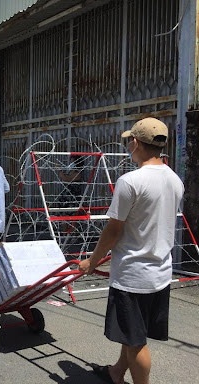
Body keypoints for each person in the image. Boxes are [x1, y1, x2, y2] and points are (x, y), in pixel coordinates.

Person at [78, 117, 184, 384]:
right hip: (160, 273)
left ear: (135, 143)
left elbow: (113, 231)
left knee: (135, 342)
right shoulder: (175, 180)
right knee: (134, 333)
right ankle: (116, 372)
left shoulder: (130, 181)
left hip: (132, 277)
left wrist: (91, 261)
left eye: (129, 142)